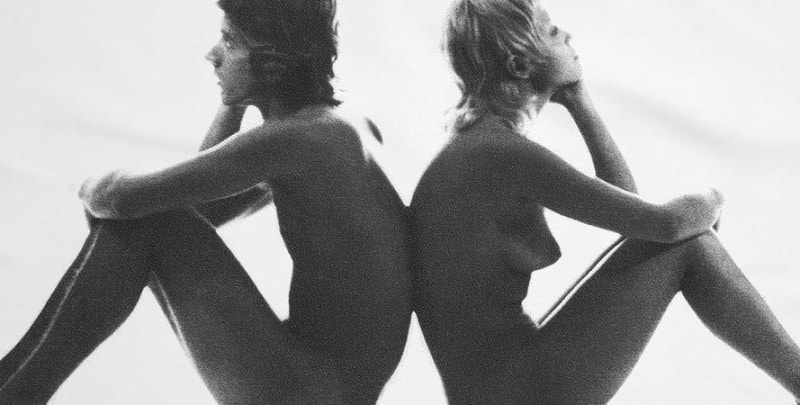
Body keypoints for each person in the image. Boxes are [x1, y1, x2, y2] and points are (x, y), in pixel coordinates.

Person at [0, 0, 412, 404]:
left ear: (272, 65)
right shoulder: (336, 129)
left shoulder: (297, 140)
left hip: (312, 390)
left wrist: (86, 184)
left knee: (145, 220)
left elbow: (121, 201)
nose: (212, 55)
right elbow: (199, 212)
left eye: (229, 42)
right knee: (155, 219)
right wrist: (233, 101)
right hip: (323, 382)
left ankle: (18, 392)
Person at [409, 0, 800, 403]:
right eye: (552, 31)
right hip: (514, 389)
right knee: (690, 244)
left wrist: (581, 103)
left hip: (502, 384)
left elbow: (631, 213)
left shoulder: (481, 145)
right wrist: (714, 197)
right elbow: (665, 225)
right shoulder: (498, 153)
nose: (567, 36)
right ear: (519, 65)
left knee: (678, 241)